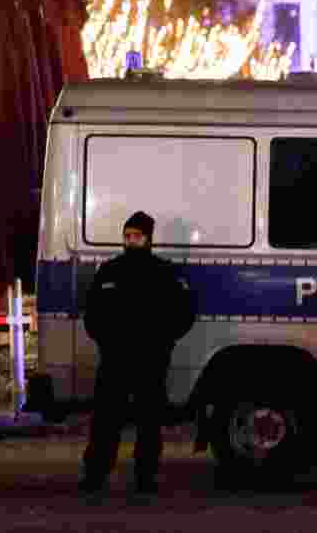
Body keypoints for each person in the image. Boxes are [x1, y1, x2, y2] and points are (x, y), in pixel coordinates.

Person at [80, 211, 197, 496]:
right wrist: (105, 341)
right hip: (115, 359)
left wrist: (164, 342)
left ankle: (146, 477)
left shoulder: (162, 273)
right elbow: (92, 313)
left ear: (148, 239)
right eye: (127, 236)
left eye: (137, 236)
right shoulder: (109, 271)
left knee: (149, 422)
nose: (131, 241)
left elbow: (184, 312)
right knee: (106, 421)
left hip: (150, 360)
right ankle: (96, 475)